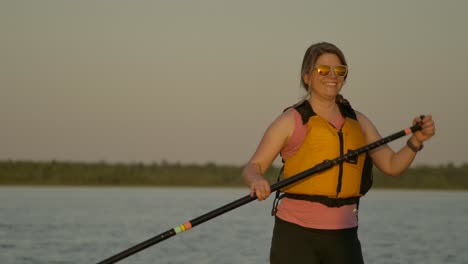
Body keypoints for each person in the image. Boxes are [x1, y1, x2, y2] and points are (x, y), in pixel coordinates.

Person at [242, 42, 436, 264]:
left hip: (344, 237)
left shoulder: (359, 122)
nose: (332, 76)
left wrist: (416, 141)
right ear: (307, 77)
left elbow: (393, 165)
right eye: (323, 70)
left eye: (339, 70)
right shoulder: (291, 121)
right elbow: (253, 167)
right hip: (295, 235)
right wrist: (257, 180)